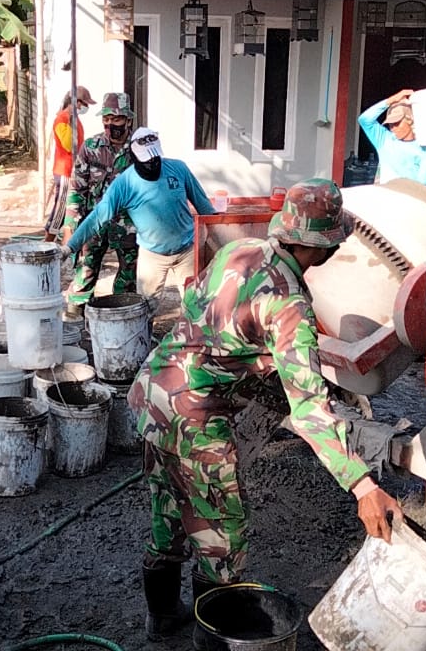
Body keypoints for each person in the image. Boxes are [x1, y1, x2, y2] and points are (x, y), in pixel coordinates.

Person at [128, 178, 403, 641]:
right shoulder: (290, 306)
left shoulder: (245, 249)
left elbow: (199, 307)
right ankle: (210, 640)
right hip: (196, 417)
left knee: (168, 512)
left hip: (153, 392)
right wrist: (362, 485)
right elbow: (311, 409)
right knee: (223, 536)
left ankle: (162, 620)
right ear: (324, 247)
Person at [60, 128, 215, 309]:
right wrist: (70, 247)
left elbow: (206, 209)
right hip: (152, 256)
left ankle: (193, 337)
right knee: (145, 308)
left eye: (155, 158)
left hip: (187, 250)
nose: (151, 164)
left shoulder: (178, 169)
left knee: (196, 305)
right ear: (133, 158)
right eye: (145, 160)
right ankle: (145, 337)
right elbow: (96, 218)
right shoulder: (124, 184)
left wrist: (219, 245)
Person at [64, 92, 138, 319]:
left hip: (129, 225)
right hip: (94, 222)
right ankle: (75, 322)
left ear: (128, 120)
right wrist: (70, 226)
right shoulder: (91, 147)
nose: (110, 125)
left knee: (128, 277)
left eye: (116, 120)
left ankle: (119, 320)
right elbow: (77, 189)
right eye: (106, 119)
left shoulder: (139, 149)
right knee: (84, 274)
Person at [358, 89, 426, 207]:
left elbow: (424, 180)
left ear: (410, 120)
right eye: (390, 124)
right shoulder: (384, 139)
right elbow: (364, 119)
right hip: (387, 199)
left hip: (411, 202)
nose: (393, 128)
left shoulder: (424, 148)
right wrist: (392, 100)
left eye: (397, 123)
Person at [44, 86, 95, 241]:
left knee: (71, 208)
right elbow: (68, 144)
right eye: (84, 104)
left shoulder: (73, 119)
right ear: (76, 102)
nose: (85, 108)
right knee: (60, 209)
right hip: (65, 170)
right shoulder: (63, 118)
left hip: (73, 169)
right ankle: (48, 242)